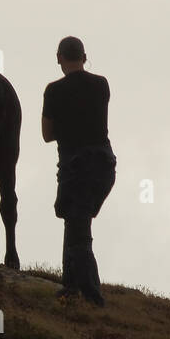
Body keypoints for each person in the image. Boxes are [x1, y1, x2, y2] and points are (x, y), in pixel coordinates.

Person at [42, 36, 116, 306]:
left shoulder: (53, 91)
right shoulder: (101, 85)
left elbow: (47, 135)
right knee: (76, 221)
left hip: (76, 167)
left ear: (59, 57)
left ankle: (92, 295)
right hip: (104, 164)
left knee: (78, 228)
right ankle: (70, 284)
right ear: (84, 57)